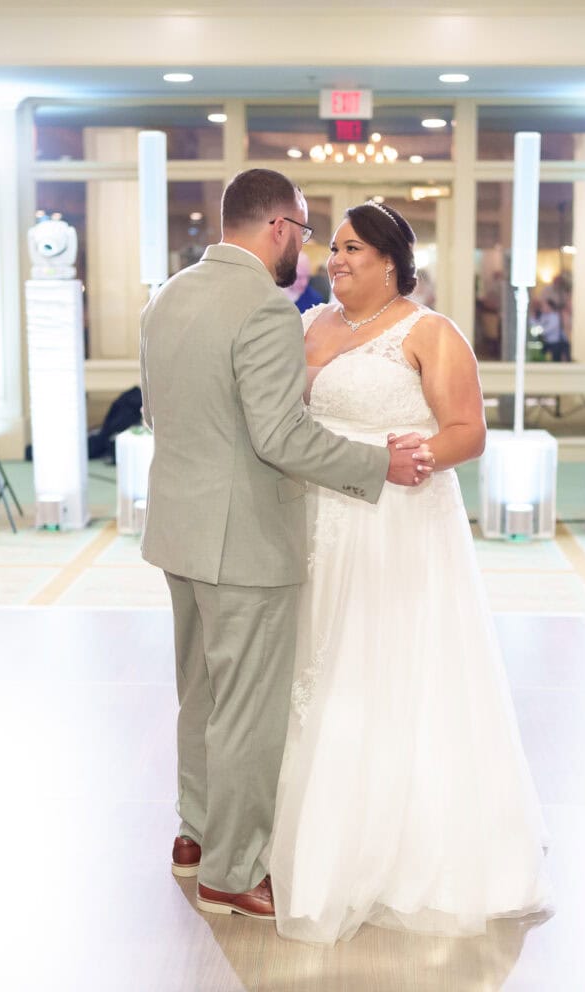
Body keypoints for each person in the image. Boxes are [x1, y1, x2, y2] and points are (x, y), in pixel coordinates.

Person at [139, 169, 434, 922]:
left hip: (178, 527)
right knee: (248, 711)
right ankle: (230, 875)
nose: (306, 251)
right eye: (304, 234)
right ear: (277, 228)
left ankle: (196, 837)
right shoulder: (268, 311)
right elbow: (279, 436)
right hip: (246, 539)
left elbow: (157, 410)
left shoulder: (168, 296)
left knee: (201, 696)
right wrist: (378, 463)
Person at [271, 201, 550, 943]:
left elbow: (468, 431)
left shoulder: (429, 331)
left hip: (398, 520)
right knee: (318, 669)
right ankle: (314, 836)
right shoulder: (310, 325)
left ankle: (403, 852)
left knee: (392, 668)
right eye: (331, 247)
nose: (335, 259)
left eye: (352, 248)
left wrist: (416, 460)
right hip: (318, 519)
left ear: (392, 260)